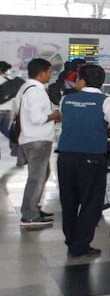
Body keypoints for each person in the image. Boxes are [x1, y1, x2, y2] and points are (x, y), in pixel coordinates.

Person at [57, 64, 110, 257]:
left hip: (66, 157)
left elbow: (67, 119)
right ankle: (80, 245)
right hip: (92, 158)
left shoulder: (66, 100)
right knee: (92, 202)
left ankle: (72, 241)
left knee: (69, 202)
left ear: (81, 80)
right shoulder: (107, 102)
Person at [16, 58, 59, 229]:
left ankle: (32, 207)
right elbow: (37, 118)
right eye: (49, 72)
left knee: (42, 174)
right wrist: (54, 116)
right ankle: (29, 215)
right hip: (37, 140)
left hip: (33, 138)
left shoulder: (27, 88)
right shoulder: (35, 91)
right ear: (41, 74)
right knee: (36, 178)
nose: (50, 75)